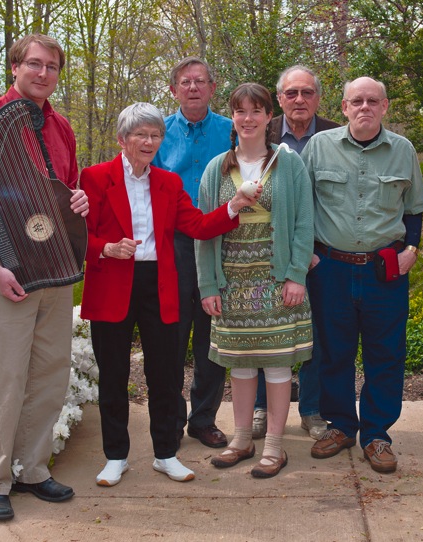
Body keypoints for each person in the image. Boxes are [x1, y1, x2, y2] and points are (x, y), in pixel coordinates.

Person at [0, 34, 89, 521]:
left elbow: (62, 191)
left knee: (50, 374)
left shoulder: (62, 128)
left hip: (54, 269)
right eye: (34, 63)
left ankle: (33, 471)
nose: (43, 73)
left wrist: (78, 201)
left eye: (52, 66)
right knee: (3, 378)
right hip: (4, 269)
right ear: (14, 67)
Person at [80, 103, 259, 487]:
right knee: (113, 375)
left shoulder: (168, 183)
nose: (148, 141)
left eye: (155, 135)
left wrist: (234, 206)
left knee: (165, 375)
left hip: (158, 285)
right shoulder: (94, 178)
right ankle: (116, 457)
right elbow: (80, 236)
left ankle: (165, 454)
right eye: (140, 135)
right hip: (112, 280)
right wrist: (107, 248)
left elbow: (196, 225)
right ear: (122, 140)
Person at [301, 77, 423, 474]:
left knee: (385, 354)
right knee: (333, 352)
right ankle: (339, 426)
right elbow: (302, 204)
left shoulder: (403, 150)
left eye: (373, 101)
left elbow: (414, 209)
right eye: (357, 101)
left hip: (384, 270)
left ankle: (377, 434)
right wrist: (306, 256)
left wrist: (412, 250)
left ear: (385, 106)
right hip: (331, 269)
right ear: (343, 107)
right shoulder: (319, 147)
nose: (365, 108)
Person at [197, 83, 314, 479]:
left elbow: (303, 223)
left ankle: (275, 446)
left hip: (275, 279)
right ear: (232, 117)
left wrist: (295, 274)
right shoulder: (218, 168)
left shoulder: (288, 163)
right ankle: (242, 438)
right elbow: (204, 230)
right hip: (232, 283)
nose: (247, 118)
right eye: (240, 111)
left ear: (269, 117)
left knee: (279, 366)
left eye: (256, 110)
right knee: (242, 366)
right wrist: (208, 284)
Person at [252, 65, 340, 441]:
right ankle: (261, 407)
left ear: (318, 98)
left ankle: (311, 410)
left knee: (315, 334)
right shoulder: (259, 132)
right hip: (267, 251)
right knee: (265, 330)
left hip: (324, 253)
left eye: (307, 93)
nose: (299, 100)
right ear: (279, 99)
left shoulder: (338, 133)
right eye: (291, 93)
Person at [152, 57, 233, 449]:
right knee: (172, 335)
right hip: (174, 246)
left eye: (201, 81)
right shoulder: (157, 132)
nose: (193, 88)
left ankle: (204, 419)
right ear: (173, 89)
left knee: (211, 337)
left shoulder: (232, 131)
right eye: (185, 82)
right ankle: (169, 421)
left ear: (213, 88)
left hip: (220, 242)